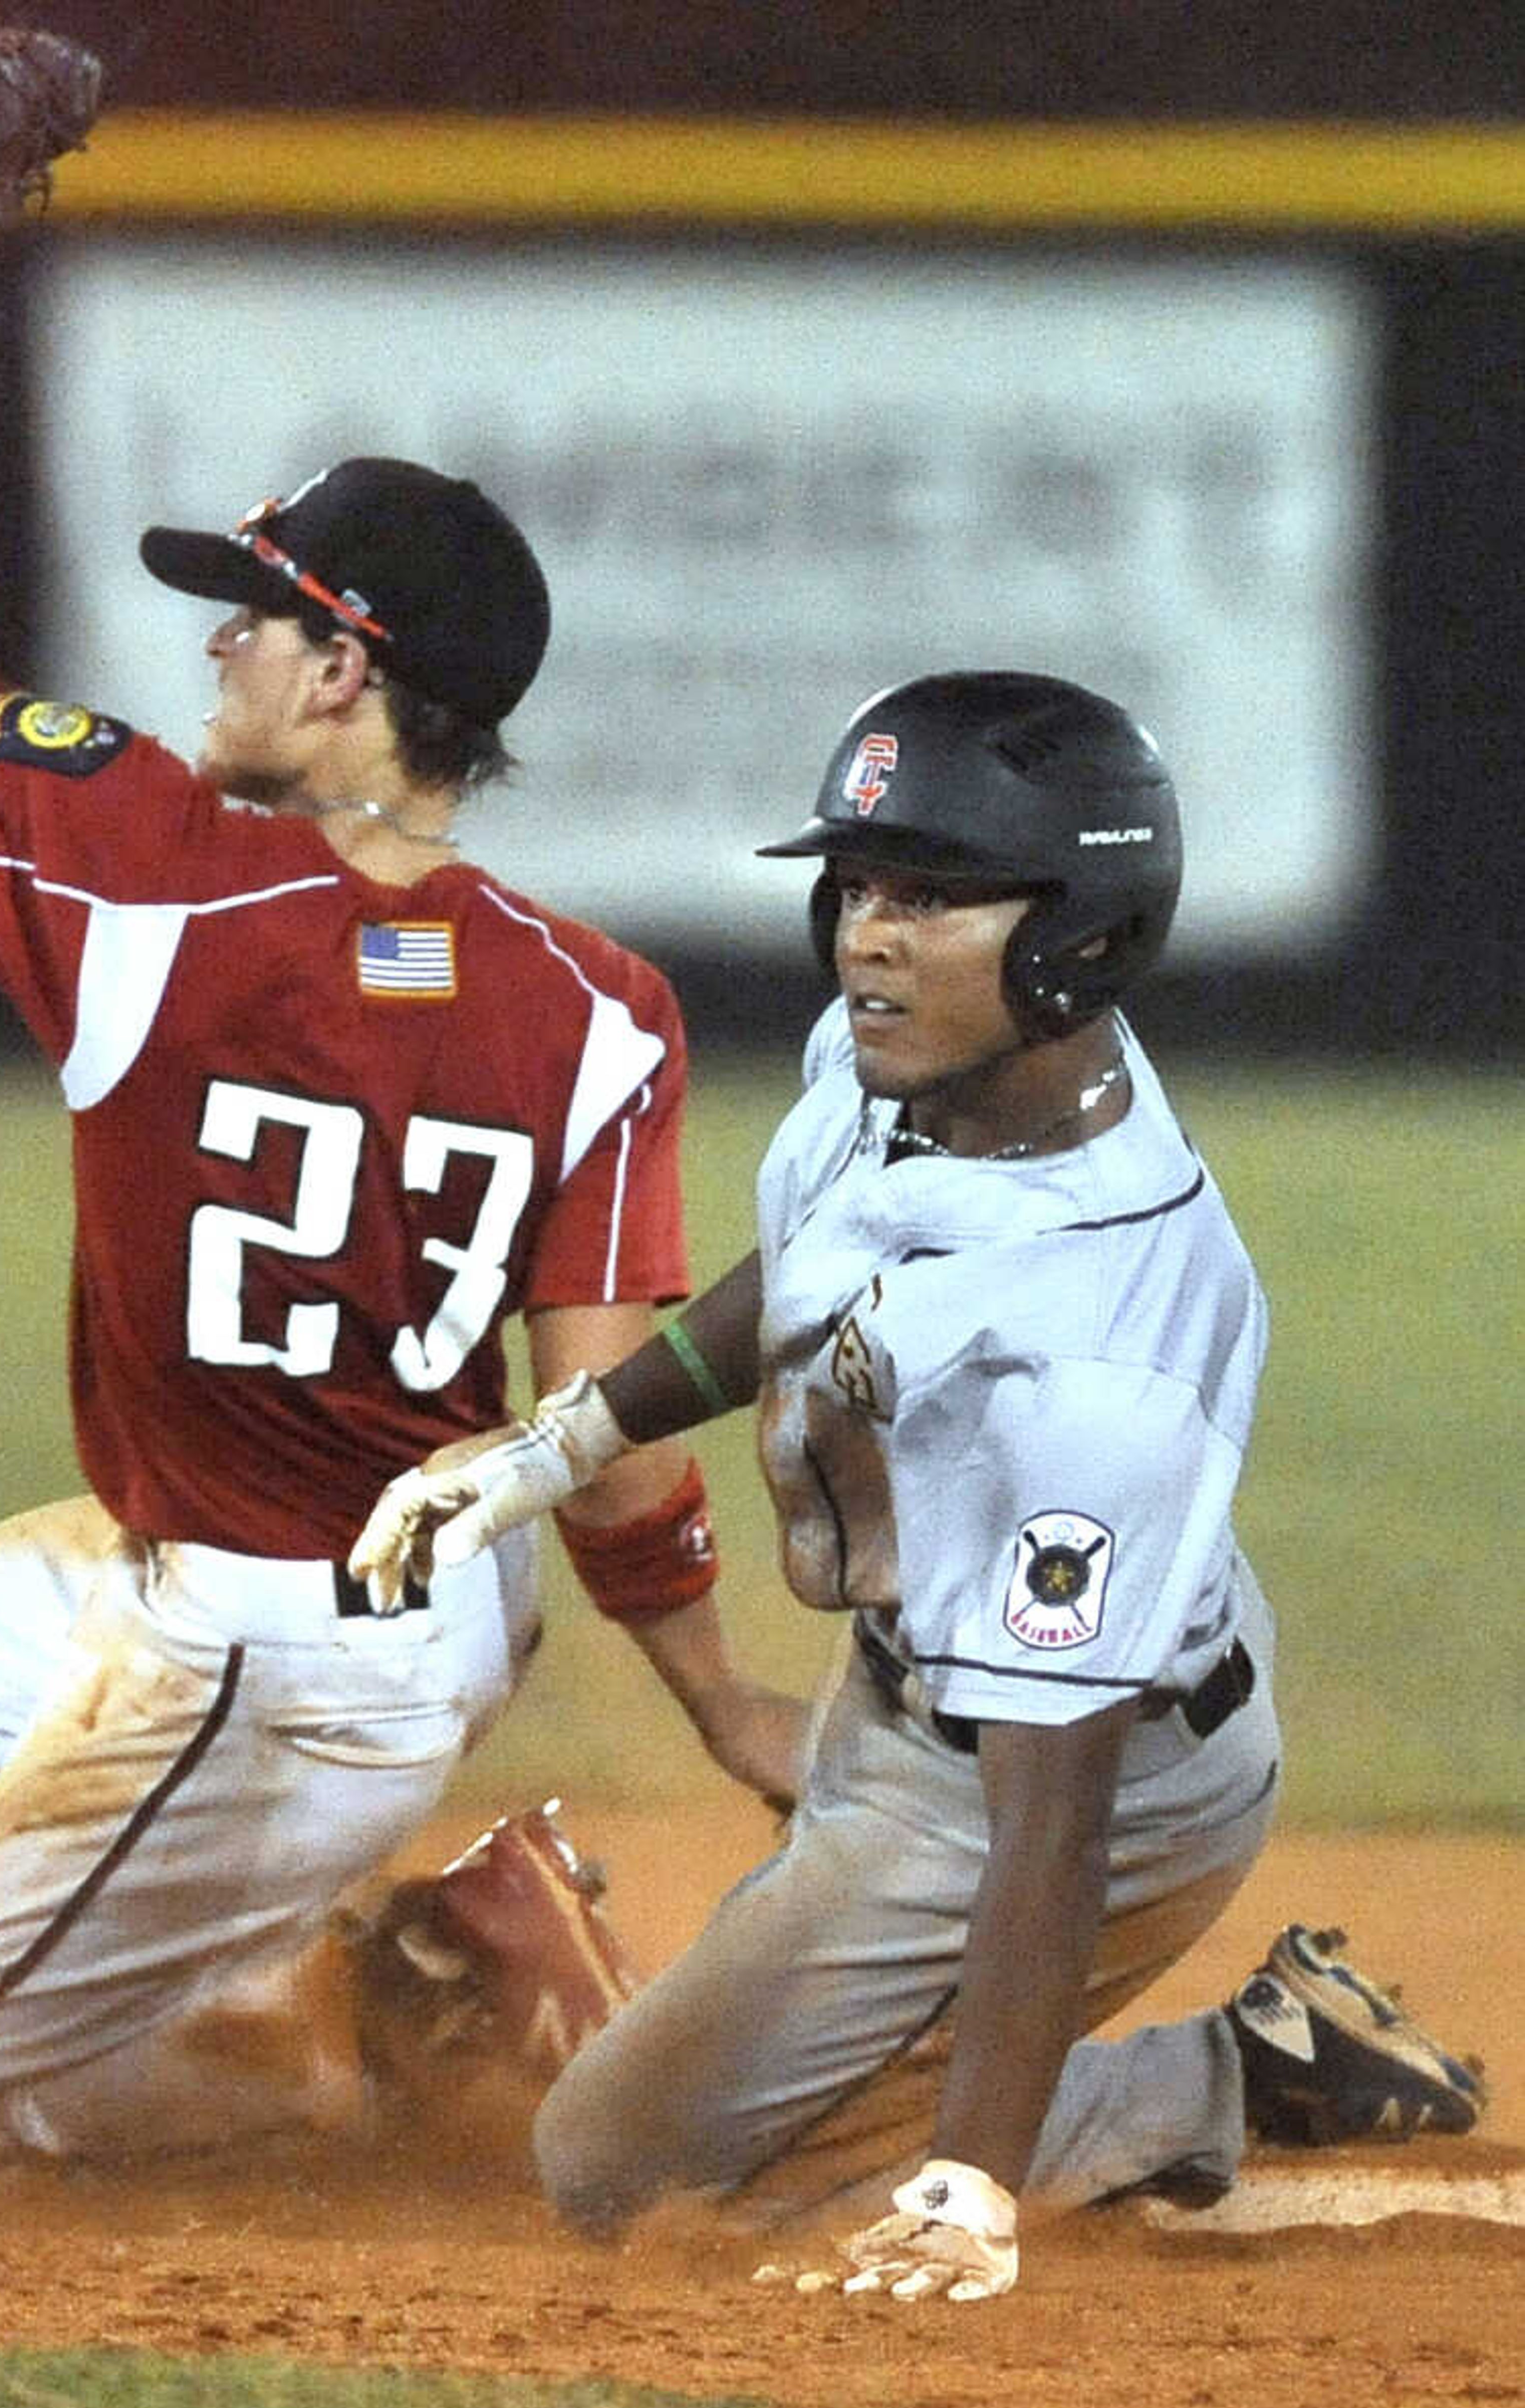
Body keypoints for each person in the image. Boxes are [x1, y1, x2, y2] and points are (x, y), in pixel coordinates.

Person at [0, 41, 805, 2206]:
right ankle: (387, 1936)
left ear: (347, 678)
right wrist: (718, 1703)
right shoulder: (597, 998)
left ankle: (366, 2069)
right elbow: (600, 1422)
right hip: (442, 1607)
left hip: (259, 1655)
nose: (216, 644)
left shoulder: (151, 876)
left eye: (258, 613)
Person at [352, 670, 1488, 2301]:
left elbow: (1055, 1820)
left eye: (936, 895)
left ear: (1079, 934)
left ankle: (1242, 2074)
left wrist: (971, 2186)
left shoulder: (1107, 1353)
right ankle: (972, 2071)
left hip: (1071, 1774)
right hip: (914, 1698)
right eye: (863, 884)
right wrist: (561, 1447)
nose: (869, 936)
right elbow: (818, 1271)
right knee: (754, 2104)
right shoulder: (926, 1063)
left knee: (618, 2172)